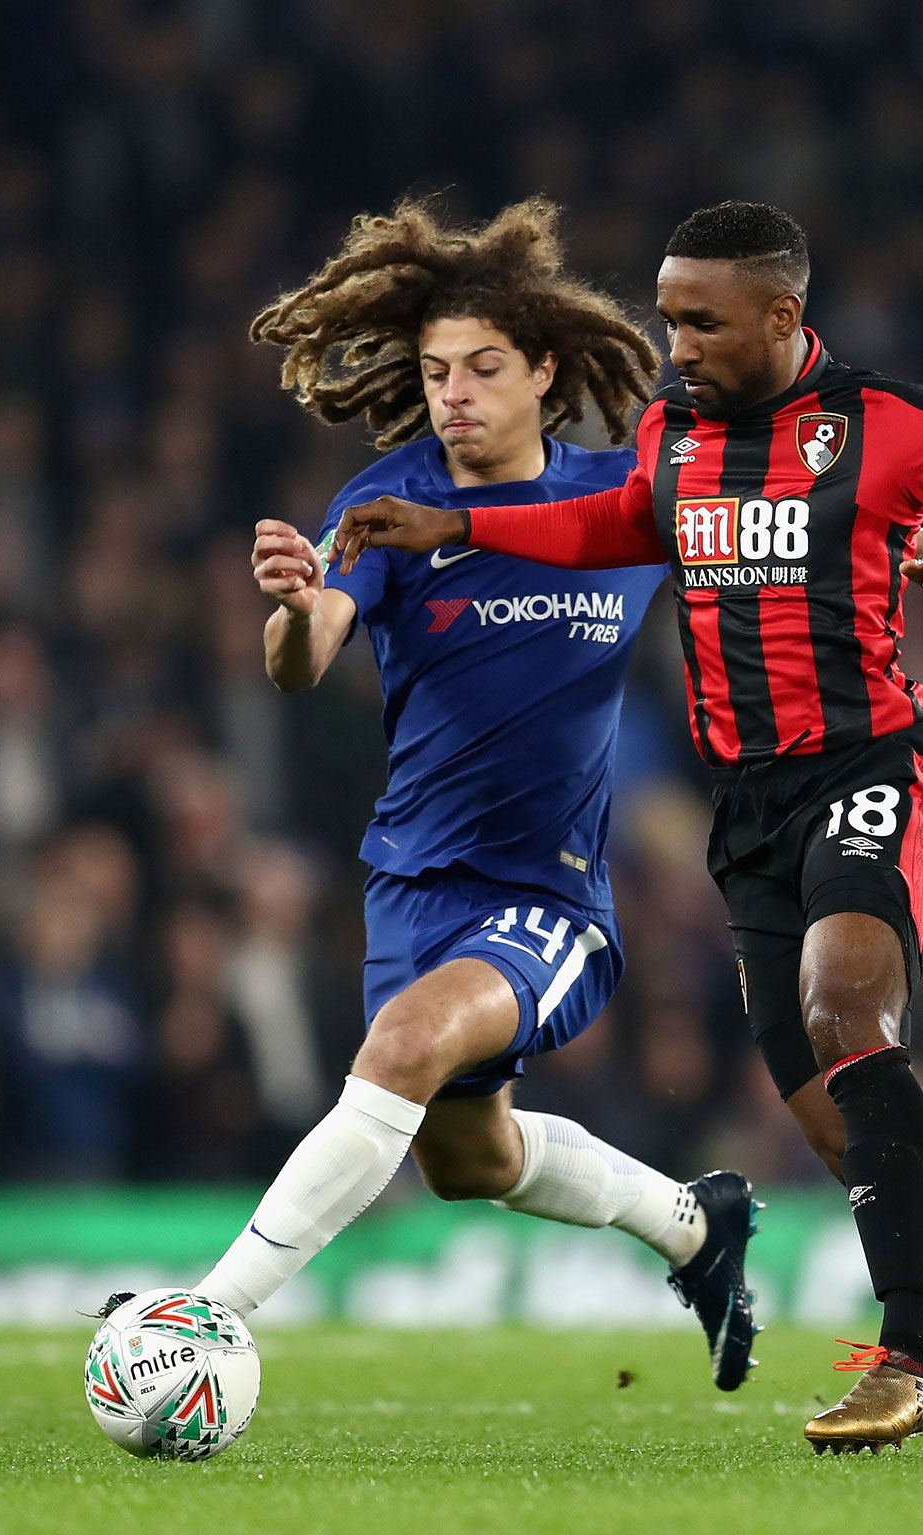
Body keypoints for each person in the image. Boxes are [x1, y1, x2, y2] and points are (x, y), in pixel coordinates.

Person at [331, 200, 923, 1453]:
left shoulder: (886, 426)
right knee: (874, 1145)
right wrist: (461, 525)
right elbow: (618, 523)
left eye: (701, 322)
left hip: (868, 763)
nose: (675, 347)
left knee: (846, 1013)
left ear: (784, 316)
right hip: (749, 809)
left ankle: (916, 1362)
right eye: (666, 319)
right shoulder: (671, 430)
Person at [106, 199, 761, 1393]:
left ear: (544, 371)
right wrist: (299, 606)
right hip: (413, 887)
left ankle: (204, 1313)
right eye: (434, 371)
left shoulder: (619, 508)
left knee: (400, 1047)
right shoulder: (388, 505)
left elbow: (768, 534)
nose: (453, 393)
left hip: (547, 897)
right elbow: (306, 657)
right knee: (469, 1158)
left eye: (482, 369)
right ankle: (693, 1225)